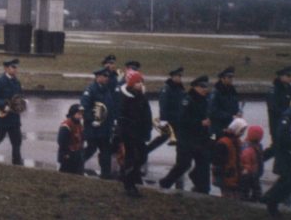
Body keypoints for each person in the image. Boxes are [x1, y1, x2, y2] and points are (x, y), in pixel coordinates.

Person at [158, 75, 213, 194]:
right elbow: (182, 120)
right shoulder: (187, 100)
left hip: (201, 138)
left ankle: (204, 189)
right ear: (195, 87)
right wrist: (200, 123)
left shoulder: (206, 100)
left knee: (204, 163)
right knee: (183, 164)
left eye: (206, 86)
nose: (205, 89)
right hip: (186, 138)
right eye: (202, 86)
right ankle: (165, 182)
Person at [263, 90, 291, 216]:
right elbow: (282, 136)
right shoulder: (290, 114)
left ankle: (270, 199)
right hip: (290, 156)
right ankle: (270, 200)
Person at [116, 69, 152, 198]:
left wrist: (147, 130)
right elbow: (123, 118)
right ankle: (129, 184)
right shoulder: (125, 98)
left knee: (142, 156)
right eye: (137, 82)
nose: (140, 84)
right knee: (132, 158)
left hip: (139, 134)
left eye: (141, 81)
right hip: (129, 134)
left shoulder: (141, 96)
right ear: (131, 83)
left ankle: (127, 178)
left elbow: (147, 115)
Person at [81, 65, 117, 179]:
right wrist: (92, 120)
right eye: (105, 76)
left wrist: (113, 122)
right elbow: (84, 108)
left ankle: (106, 174)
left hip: (105, 128)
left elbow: (110, 108)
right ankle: (75, 166)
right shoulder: (90, 90)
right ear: (98, 77)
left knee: (106, 150)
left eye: (108, 76)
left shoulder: (107, 90)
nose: (107, 78)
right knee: (91, 149)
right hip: (93, 128)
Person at [212, 117, 247, 199]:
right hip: (226, 176)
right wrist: (220, 177)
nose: (242, 133)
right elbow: (218, 162)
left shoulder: (237, 141)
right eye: (241, 130)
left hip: (234, 176)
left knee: (233, 196)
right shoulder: (224, 143)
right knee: (228, 197)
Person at [265, 66, 291, 160]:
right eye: (288, 75)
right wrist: (287, 114)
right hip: (276, 123)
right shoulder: (274, 90)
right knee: (277, 146)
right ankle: (259, 159)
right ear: (281, 77)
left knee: (284, 147)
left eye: (290, 75)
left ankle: (284, 171)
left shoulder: (290, 89)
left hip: (288, 124)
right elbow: (273, 107)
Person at [209, 66, 240, 136]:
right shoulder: (216, 92)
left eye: (232, 77)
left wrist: (238, 112)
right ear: (222, 78)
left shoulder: (232, 91)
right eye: (229, 77)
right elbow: (213, 111)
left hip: (231, 126)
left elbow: (235, 105)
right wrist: (230, 116)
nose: (231, 79)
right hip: (218, 128)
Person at [239, 125, 265, 202]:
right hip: (250, 174)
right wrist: (247, 170)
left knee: (255, 191)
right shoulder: (249, 149)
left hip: (253, 173)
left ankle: (252, 200)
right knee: (251, 190)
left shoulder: (254, 146)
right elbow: (246, 162)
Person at [58, 104, 85, 174]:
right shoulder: (66, 125)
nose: (81, 116)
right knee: (66, 174)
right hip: (68, 155)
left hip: (77, 155)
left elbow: (81, 139)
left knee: (79, 174)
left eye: (81, 114)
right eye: (78, 114)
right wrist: (65, 153)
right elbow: (61, 141)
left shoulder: (79, 124)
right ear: (73, 113)